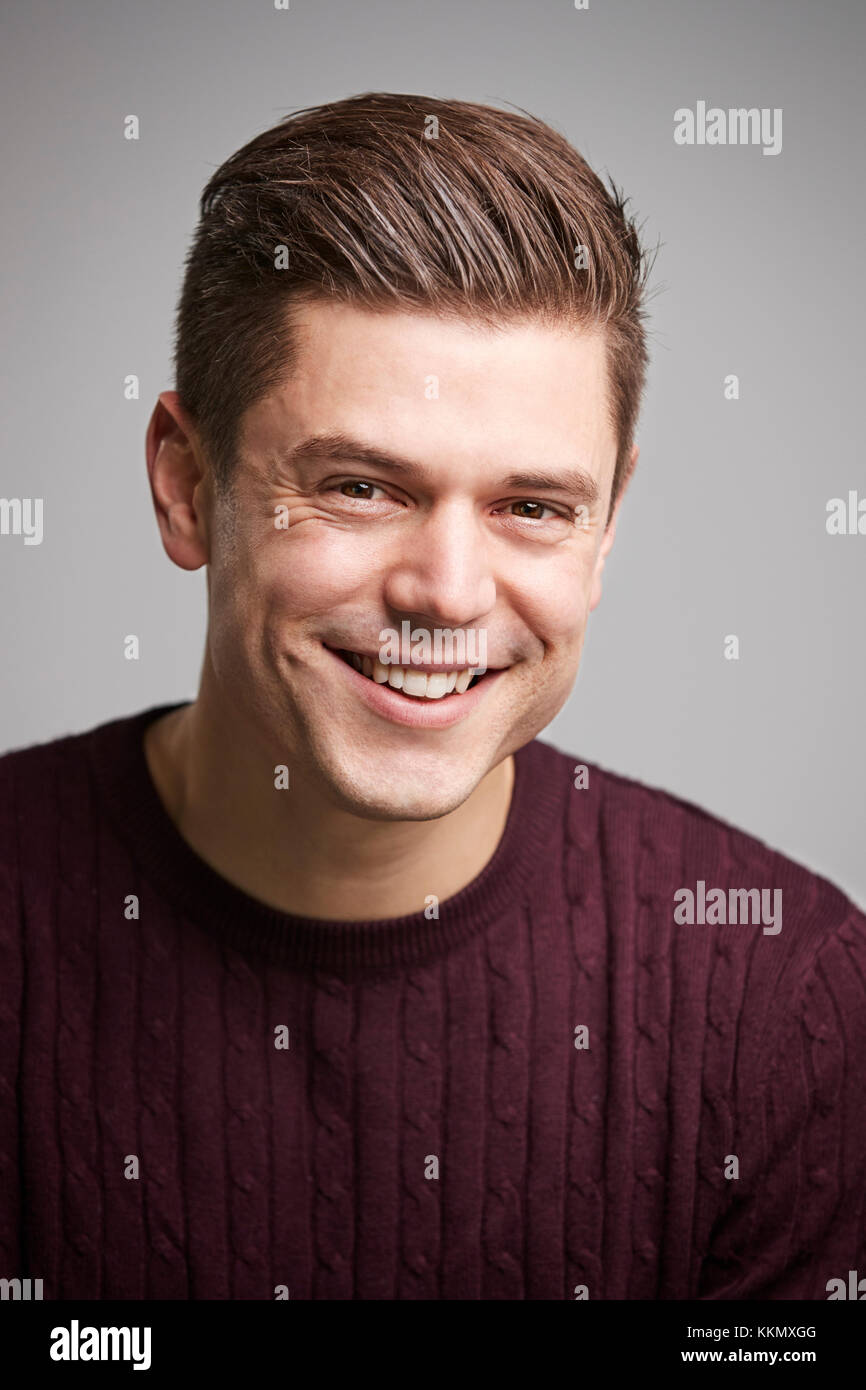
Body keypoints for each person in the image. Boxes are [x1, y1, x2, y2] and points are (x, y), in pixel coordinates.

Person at [1, 92, 864, 1301]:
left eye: (532, 508)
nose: (448, 595)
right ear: (187, 487)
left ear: (605, 525)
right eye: (361, 487)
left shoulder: (789, 1005)